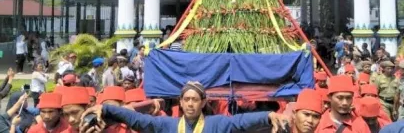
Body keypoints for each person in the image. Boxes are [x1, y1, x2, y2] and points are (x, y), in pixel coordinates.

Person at [80, 81, 291, 132]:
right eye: (186, 99)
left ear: (203, 103)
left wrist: (268, 116)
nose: (190, 103)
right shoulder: (168, 125)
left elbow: (239, 122)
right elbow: (139, 120)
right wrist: (106, 109)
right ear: (180, 102)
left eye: (195, 100)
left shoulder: (215, 124)